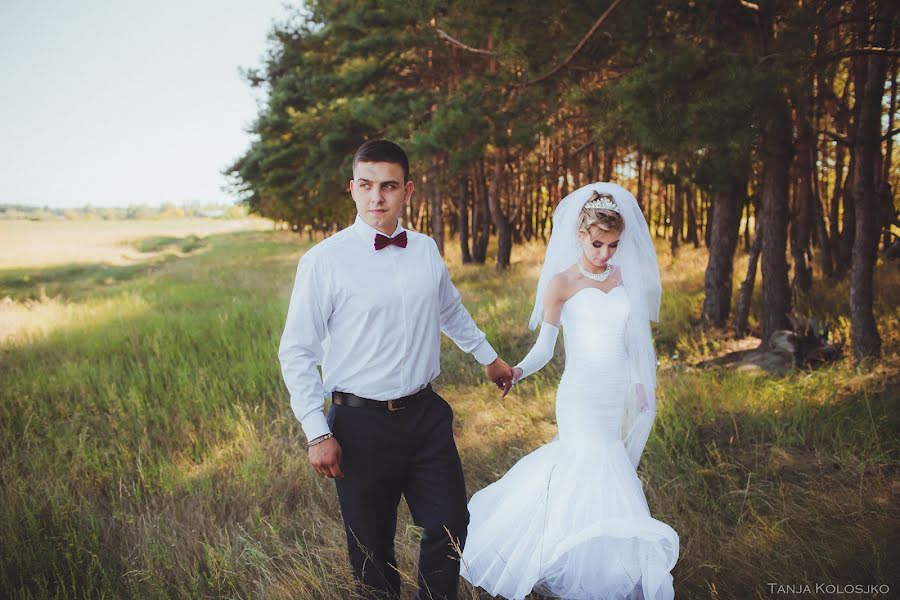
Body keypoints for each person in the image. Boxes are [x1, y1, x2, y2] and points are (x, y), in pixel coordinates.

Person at [278, 139, 514, 600]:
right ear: (351, 188)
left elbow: (450, 310)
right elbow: (297, 351)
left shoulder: (425, 249)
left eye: (388, 186)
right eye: (366, 186)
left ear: (407, 192)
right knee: (371, 551)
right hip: (358, 423)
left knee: (450, 525)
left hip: (426, 415)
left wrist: (489, 357)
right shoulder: (324, 262)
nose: (376, 197)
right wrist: (316, 431)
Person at [460, 183, 679, 600]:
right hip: (579, 394)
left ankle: (601, 561)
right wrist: (518, 371)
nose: (605, 253)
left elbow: (633, 340)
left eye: (613, 245)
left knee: (607, 466)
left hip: (615, 390)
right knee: (591, 460)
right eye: (598, 243)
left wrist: (638, 381)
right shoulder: (560, 283)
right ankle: (562, 556)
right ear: (580, 235)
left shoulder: (623, 278)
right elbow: (546, 347)